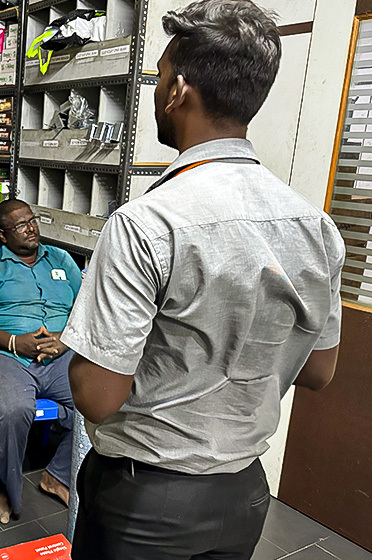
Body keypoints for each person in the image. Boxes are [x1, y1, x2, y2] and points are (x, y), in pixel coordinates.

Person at [61, 2, 345, 558]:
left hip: (146, 500)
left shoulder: (147, 223)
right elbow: (319, 370)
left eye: (160, 77)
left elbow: (96, 396)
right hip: (243, 494)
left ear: (178, 90)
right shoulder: (317, 227)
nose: (157, 91)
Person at [0, 199, 82, 524]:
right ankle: (8, 489)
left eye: (32, 220)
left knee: (99, 400)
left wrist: (64, 339)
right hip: (7, 355)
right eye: (21, 225)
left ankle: (56, 475)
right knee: (11, 409)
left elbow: (85, 307)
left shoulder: (60, 259)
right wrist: (15, 342)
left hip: (61, 353)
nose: (31, 228)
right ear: (2, 234)